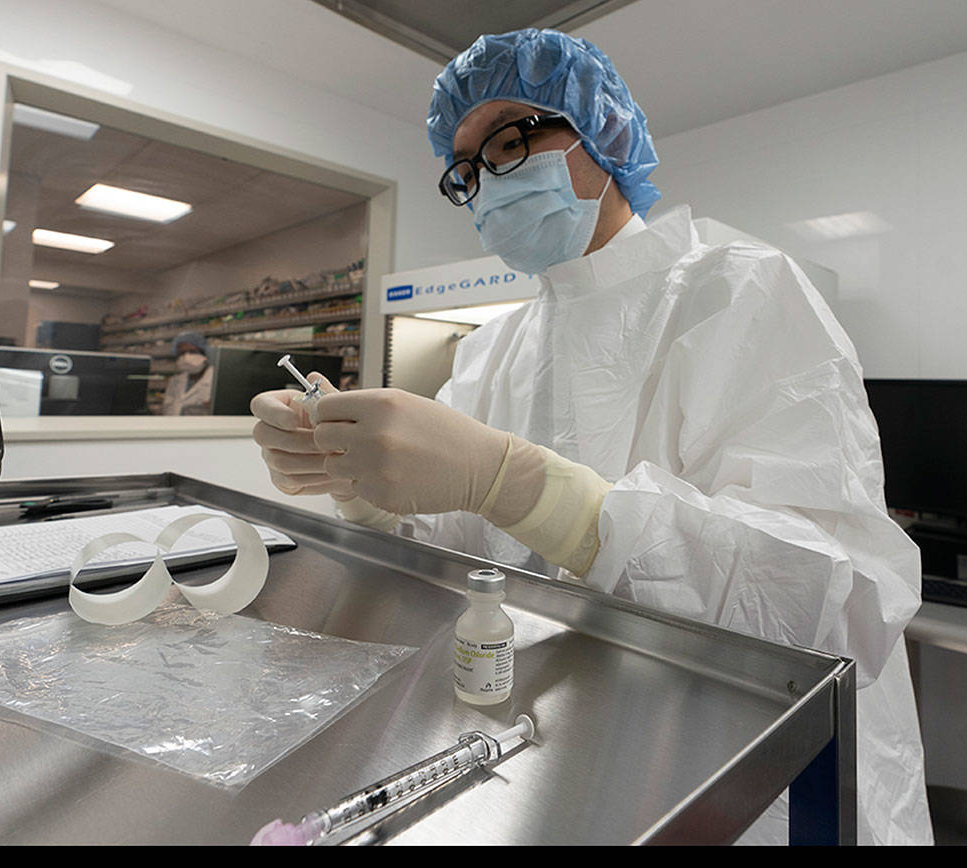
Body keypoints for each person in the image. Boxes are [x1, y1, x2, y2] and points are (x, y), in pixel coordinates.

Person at [251, 29, 931, 845]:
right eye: (466, 169)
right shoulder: (495, 347)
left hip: (753, 787)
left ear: (600, 130)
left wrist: (534, 490)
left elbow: (837, 601)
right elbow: (459, 548)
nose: (487, 181)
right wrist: (361, 492)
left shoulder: (740, 291)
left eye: (511, 139)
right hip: (547, 755)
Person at [161, 331, 214, 416]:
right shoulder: (174, 381)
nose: (186, 357)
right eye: (182, 353)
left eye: (192, 352)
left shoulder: (215, 379)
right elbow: (167, 411)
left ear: (204, 353)